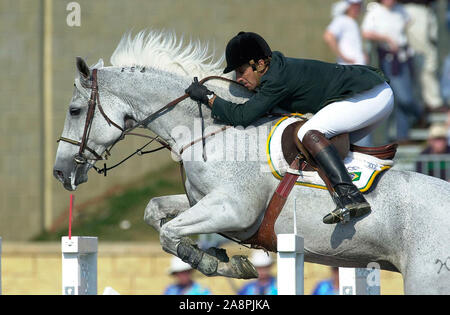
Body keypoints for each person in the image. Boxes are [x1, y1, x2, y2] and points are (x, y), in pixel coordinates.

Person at [185, 31, 394, 224]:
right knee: (325, 149)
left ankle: (350, 196)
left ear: (259, 64)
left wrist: (209, 97)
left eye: (241, 71)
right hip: (370, 92)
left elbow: (243, 116)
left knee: (307, 133)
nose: (238, 78)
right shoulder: (274, 70)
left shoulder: (277, 78)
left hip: (371, 96)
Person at [361, 0, 424, 143]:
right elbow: (366, 32)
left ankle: (403, 134)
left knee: (403, 98)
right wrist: (387, 38)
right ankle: (418, 115)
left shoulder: (401, 10)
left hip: (403, 56)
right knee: (401, 97)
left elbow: (408, 23)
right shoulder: (375, 11)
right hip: (388, 57)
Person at [323, 0, 373, 147]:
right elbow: (328, 36)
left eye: (358, 5)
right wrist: (344, 57)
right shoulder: (342, 20)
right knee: (357, 111)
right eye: (354, 5)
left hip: (356, 73)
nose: (357, 8)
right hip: (350, 74)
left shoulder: (350, 22)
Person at [397, 0, 446, 113]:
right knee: (424, 59)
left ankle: (427, 102)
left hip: (424, 10)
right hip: (414, 9)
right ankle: (430, 102)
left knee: (426, 59)